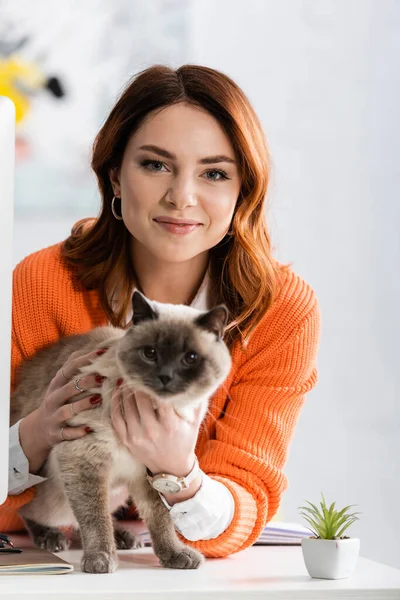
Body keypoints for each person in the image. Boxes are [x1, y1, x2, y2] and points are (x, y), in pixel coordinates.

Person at [1, 64, 320, 559]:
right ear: (115, 177)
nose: (182, 197)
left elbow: (245, 502)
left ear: (242, 193)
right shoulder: (41, 284)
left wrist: (180, 471)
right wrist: (35, 438)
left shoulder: (281, 311)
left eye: (214, 173)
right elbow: (8, 511)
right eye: (155, 165)